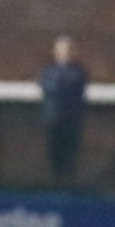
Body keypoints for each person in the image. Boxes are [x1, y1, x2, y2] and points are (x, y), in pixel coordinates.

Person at [39, 35, 88, 187]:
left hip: (72, 119)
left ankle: (69, 183)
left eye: (67, 49)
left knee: (70, 153)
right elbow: (48, 88)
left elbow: (74, 88)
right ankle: (55, 182)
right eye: (61, 49)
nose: (64, 52)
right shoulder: (48, 71)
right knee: (55, 153)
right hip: (53, 118)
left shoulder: (78, 72)